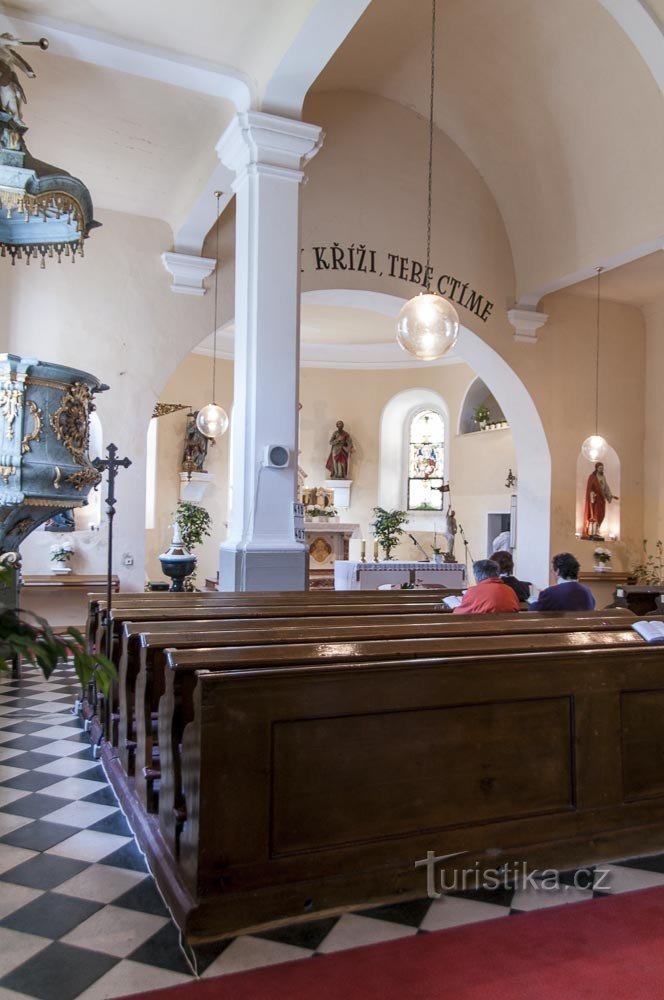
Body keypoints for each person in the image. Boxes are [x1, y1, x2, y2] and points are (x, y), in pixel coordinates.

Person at [529, 552, 595, 611]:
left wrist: (532, 600)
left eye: (552, 571)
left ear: (557, 571)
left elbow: (535, 611)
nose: (552, 573)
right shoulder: (587, 591)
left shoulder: (551, 592)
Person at [452, 559, 520, 614]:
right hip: (509, 626)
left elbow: (459, 614)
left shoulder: (473, 591)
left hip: (481, 626)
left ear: (476, 575)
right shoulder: (509, 590)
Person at [582, 462, 617, 540]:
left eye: (602, 468)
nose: (601, 469)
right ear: (596, 468)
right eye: (600, 468)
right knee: (595, 516)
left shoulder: (603, 477)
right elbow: (590, 488)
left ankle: (597, 531)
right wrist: (592, 495)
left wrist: (610, 495)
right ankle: (592, 532)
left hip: (601, 499)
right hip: (595, 500)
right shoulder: (592, 477)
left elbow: (606, 488)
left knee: (601, 515)